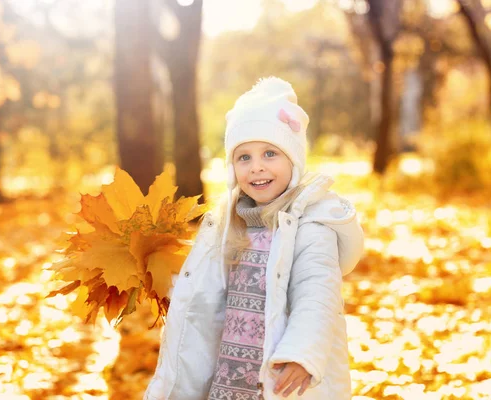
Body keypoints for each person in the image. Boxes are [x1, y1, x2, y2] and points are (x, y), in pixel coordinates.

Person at [143, 77, 364, 400]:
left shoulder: (311, 225)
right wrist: (161, 278)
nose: (257, 168)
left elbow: (317, 295)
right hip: (232, 376)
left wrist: (301, 354)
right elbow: (207, 288)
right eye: (244, 157)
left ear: (293, 160)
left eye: (270, 153)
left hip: (281, 375)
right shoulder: (227, 224)